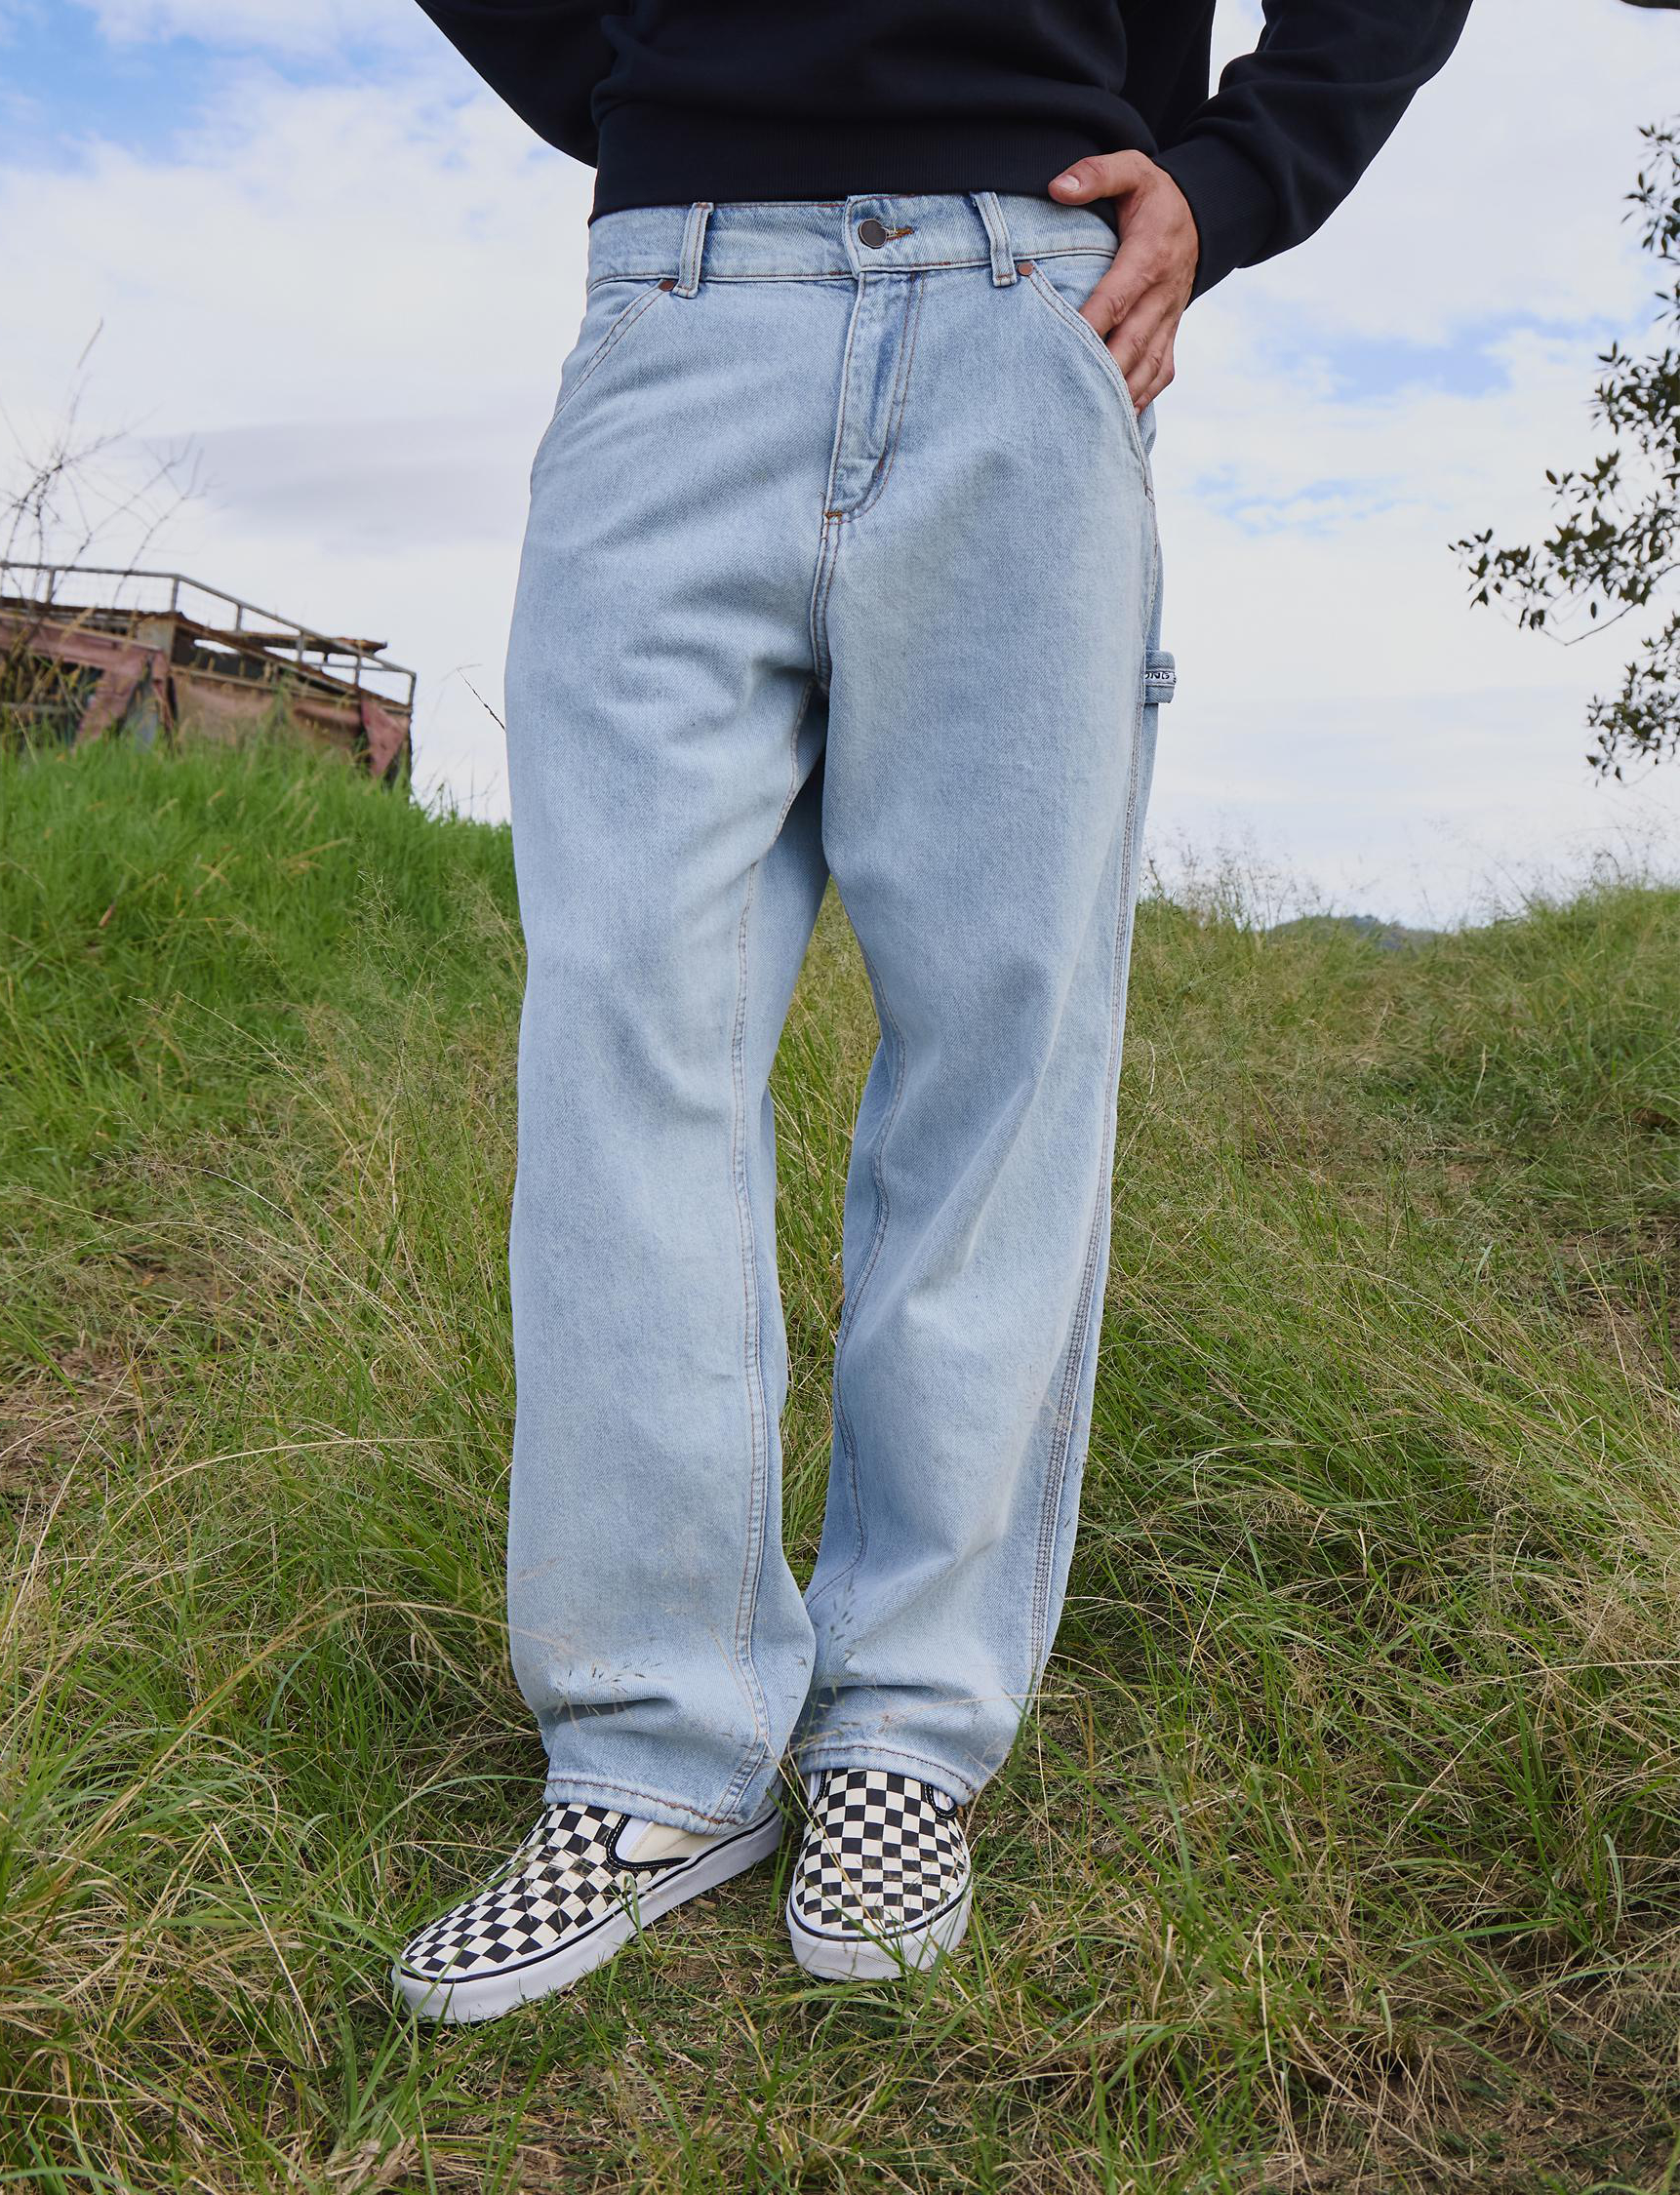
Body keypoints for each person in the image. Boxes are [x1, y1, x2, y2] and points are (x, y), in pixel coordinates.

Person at [391, 0, 1472, 2020]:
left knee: (1001, 1055)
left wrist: (1237, 181)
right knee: (623, 1039)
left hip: (1034, 303)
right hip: (679, 297)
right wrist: (645, 79)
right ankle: (651, 1751)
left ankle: (901, 1726)